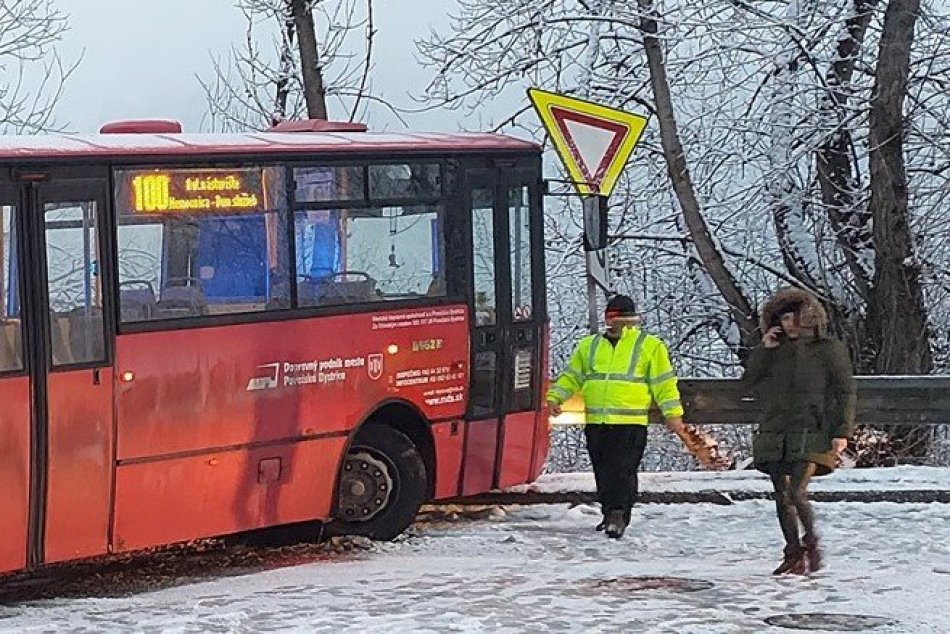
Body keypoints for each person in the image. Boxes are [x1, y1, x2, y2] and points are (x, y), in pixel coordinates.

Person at [546, 295, 690, 539]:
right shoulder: (589, 345)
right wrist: (555, 398)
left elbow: (663, 384)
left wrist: (673, 415)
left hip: (630, 421)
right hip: (597, 421)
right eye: (615, 317)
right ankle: (609, 512)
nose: (620, 323)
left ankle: (618, 514)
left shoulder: (650, 345)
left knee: (623, 470)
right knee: (603, 471)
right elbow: (572, 376)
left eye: (625, 318)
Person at [743, 287, 856, 575]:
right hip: (776, 430)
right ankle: (792, 552)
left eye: (792, 316)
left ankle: (811, 542)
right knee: (780, 493)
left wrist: (841, 430)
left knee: (796, 492)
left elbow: (844, 391)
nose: (786, 323)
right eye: (781, 318)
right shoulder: (774, 350)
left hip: (812, 429)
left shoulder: (828, 348)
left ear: (806, 317)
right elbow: (749, 381)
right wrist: (763, 350)